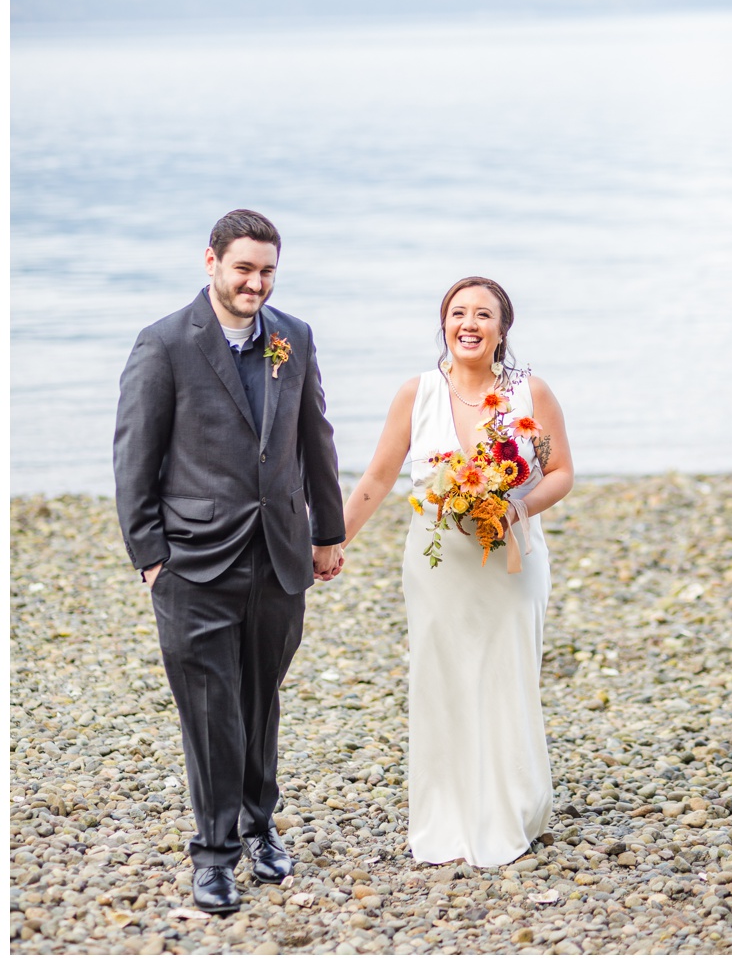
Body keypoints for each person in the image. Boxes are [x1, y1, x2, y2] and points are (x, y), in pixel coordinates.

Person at [113, 209, 345, 914]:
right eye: (244, 268)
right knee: (211, 711)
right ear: (209, 262)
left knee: (259, 700)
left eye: (268, 271)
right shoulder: (163, 344)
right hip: (193, 564)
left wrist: (326, 532)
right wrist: (153, 559)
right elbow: (133, 460)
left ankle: (258, 824)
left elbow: (316, 437)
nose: (256, 283)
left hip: (278, 557)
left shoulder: (294, 338)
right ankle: (213, 854)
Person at [341, 276, 573, 867]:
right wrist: (332, 542)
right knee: (440, 679)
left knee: (506, 674)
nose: (469, 324)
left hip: (511, 558)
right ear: (444, 323)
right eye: (457, 313)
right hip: (436, 562)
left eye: (483, 315)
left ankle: (511, 808)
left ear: (502, 330)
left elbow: (561, 473)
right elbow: (376, 479)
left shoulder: (530, 393)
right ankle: (444, 814)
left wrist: (515, 504)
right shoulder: (415, 394)